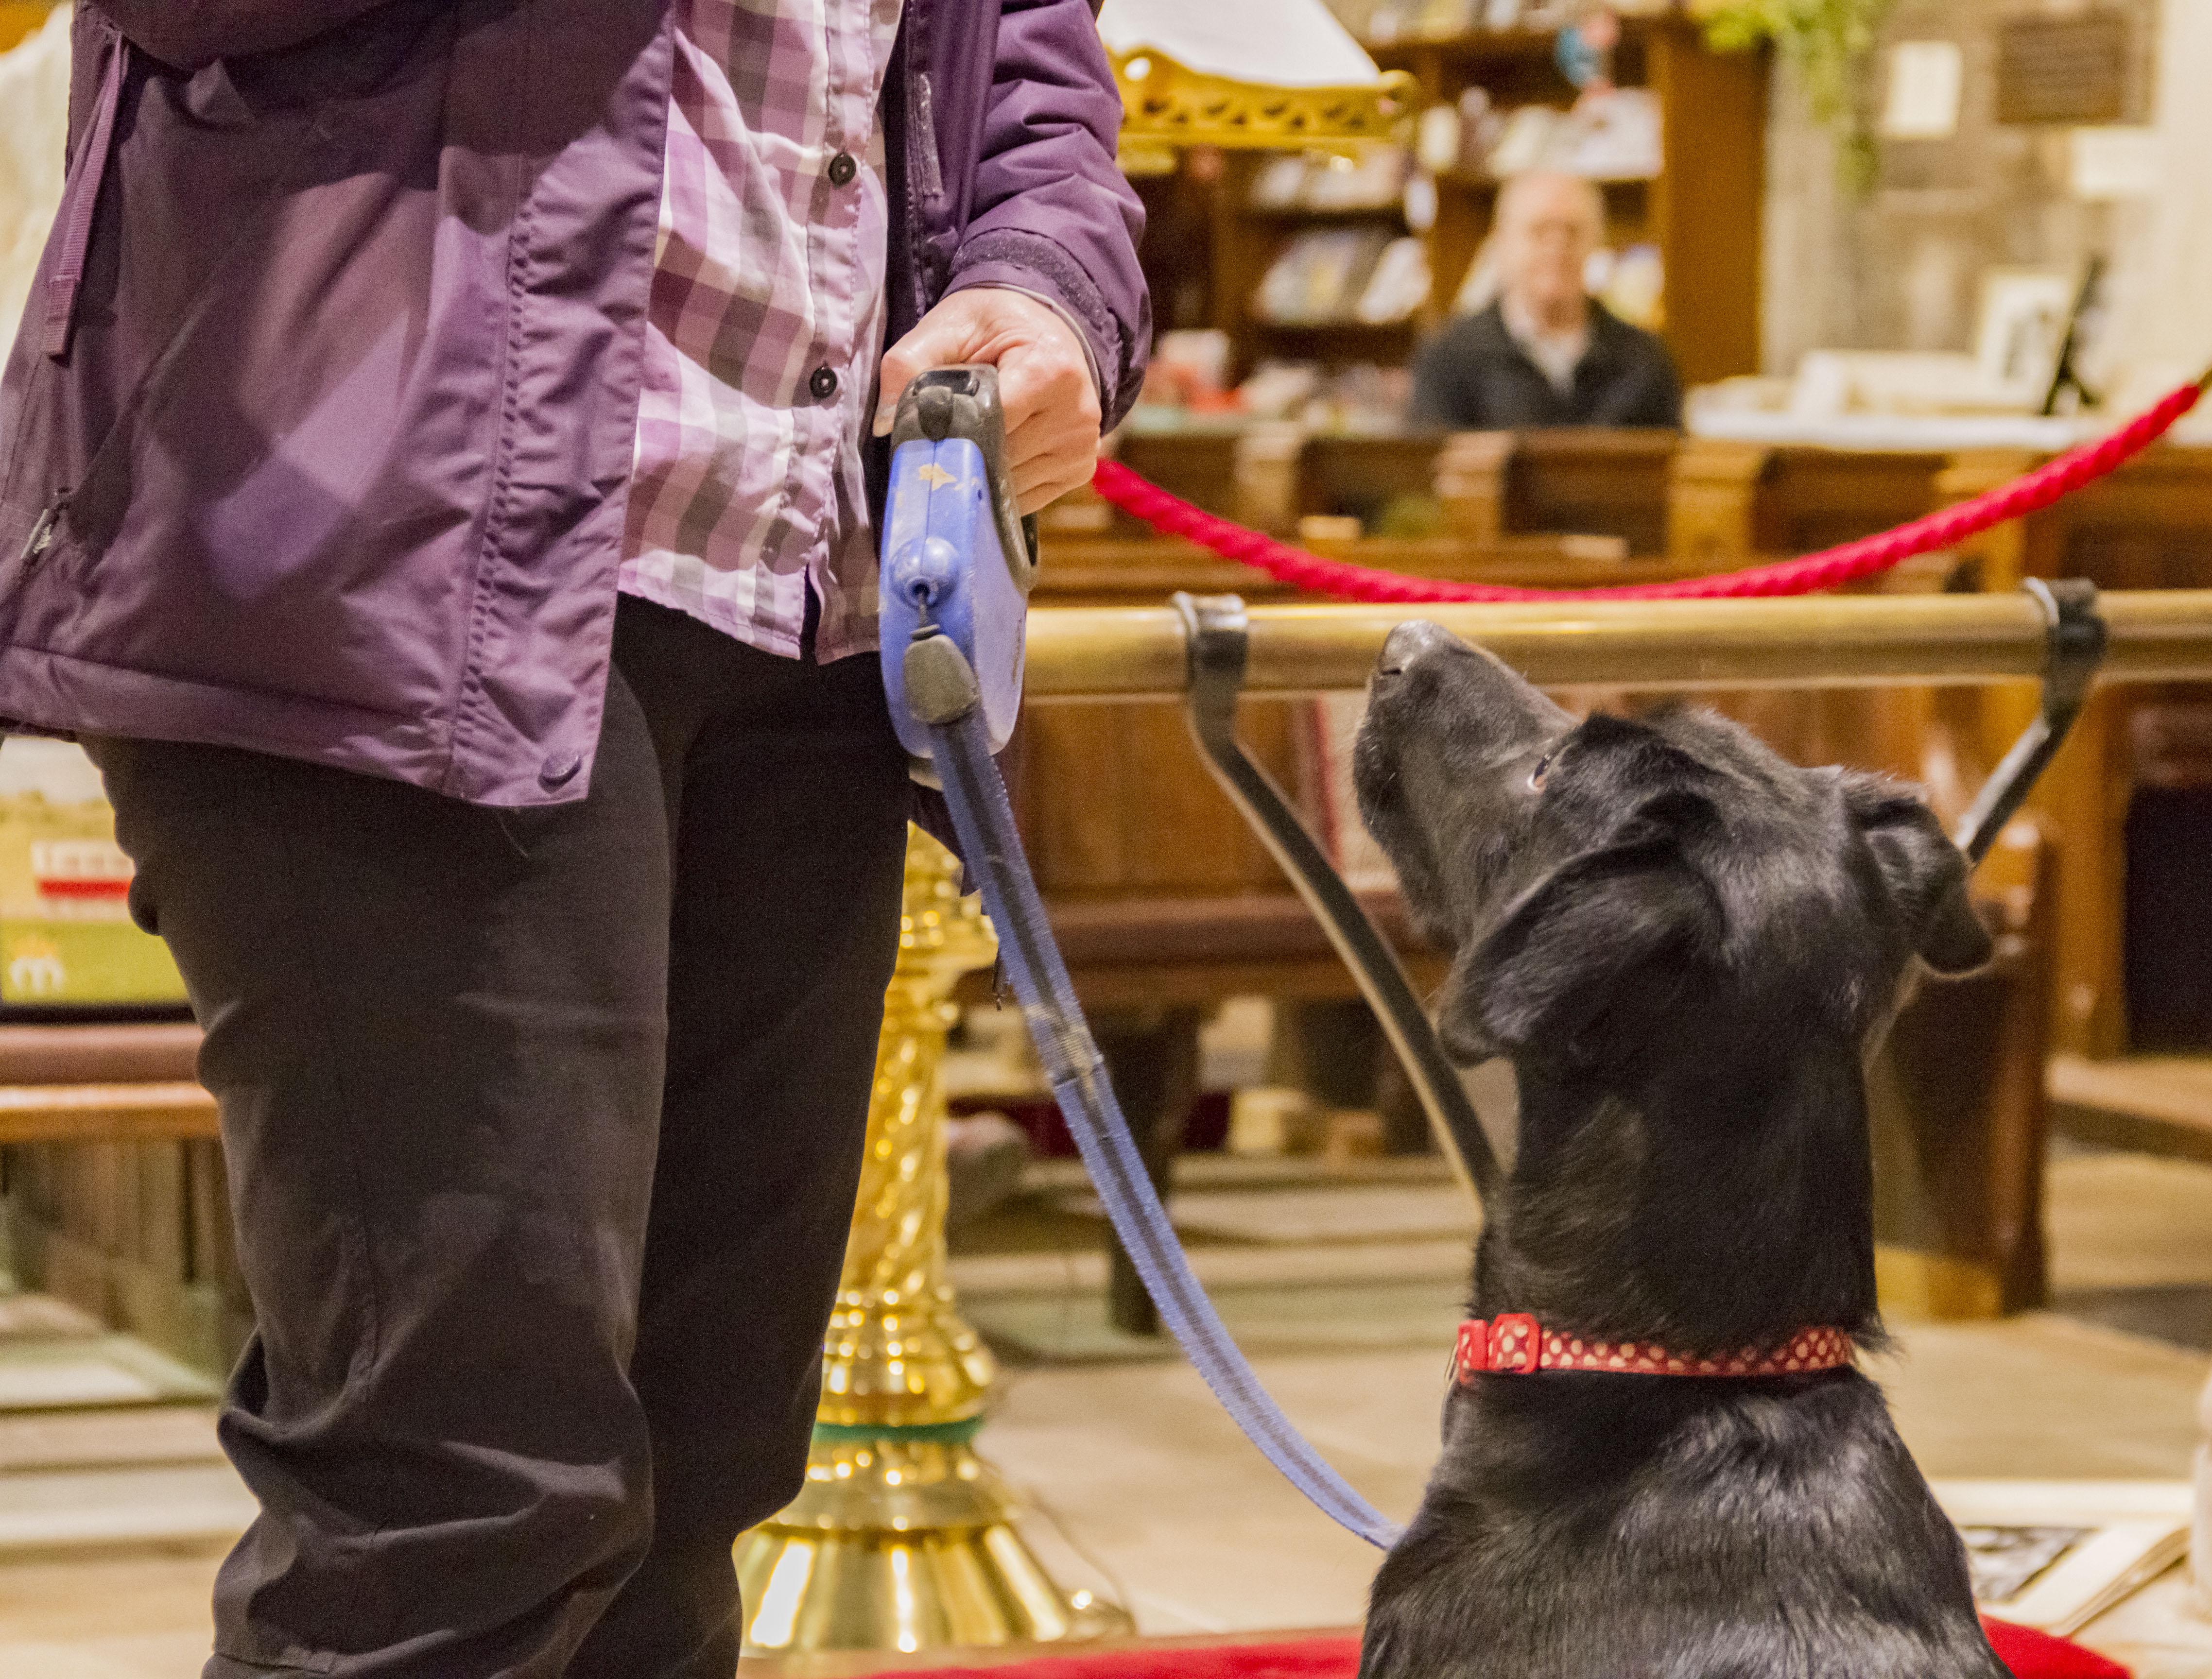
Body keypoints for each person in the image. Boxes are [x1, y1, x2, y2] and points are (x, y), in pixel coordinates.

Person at [0, 0, 1146, 1675]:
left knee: (696, 1478)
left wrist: (1040, 291)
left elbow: (1027, 75)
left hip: (801, 608)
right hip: (383, 558)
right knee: (464, 1501)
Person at [1409, 171, 1680, 430]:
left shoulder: (1643, 360)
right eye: (1539, 231)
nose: (1557, 248)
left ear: (1597, 242)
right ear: (1501, 242)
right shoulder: (1450, 359)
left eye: (1572, 231)